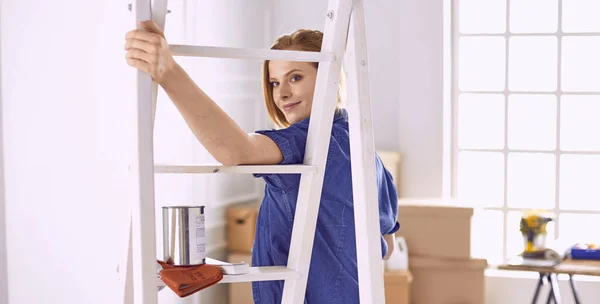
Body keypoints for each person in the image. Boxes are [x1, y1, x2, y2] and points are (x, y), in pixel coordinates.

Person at [125, 20, 400, 303]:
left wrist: (168, 72)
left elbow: (236, 151)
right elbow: (386, 245)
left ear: (330, 76)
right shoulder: (370, 156)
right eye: (274, 82)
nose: (281, 94)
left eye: (295, 78)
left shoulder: (311, 143)